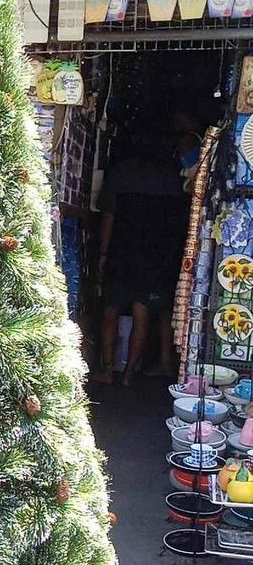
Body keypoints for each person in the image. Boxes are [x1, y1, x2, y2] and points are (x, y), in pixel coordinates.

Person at [95, 125, 189, 385]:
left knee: (111, 310)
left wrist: (103, 254)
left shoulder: (121, 173)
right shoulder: (174, 177)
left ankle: (107, 371)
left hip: (121, 251)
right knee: (142, 314)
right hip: (154, 255)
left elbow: (108, 217)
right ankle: (128, 375)